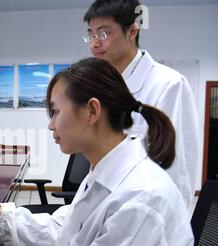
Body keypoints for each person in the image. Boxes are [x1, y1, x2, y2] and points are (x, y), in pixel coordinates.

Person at [0, 58, 197, 246]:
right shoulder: (107, 172)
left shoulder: (141, 199)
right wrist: (1, 216)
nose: (51, 125)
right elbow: (66, 233)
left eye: (55, 112)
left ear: (91, 111)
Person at [83, 0, 200, 207]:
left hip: (146, 217)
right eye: (91, 35)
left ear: (132, 31)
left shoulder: (169, 85)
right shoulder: (103, 87)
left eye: (103, 33)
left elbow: (177, 172)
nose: (94, 43)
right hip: (107, 207)